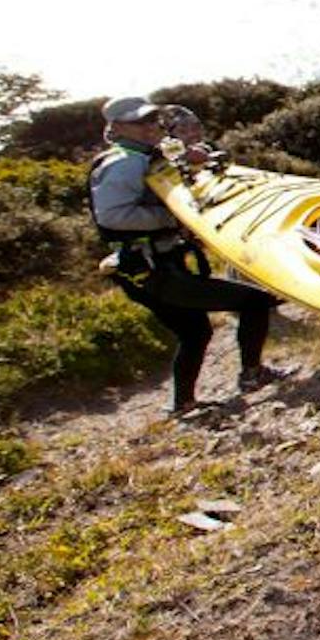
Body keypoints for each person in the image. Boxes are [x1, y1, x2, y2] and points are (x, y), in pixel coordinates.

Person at [89, 95, 289, 416]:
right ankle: (250, 376)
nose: (152, 126)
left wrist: (192, 158)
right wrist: (175, 217)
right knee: (254, 302)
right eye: (142, 122)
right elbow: (112, 216)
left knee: (195, 332)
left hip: (158, 266)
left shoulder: (143, 154)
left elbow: (168, 171)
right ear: (119, 127)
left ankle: (183, 404)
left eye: (153, 119)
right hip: (151, 272)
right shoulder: (124, 163)